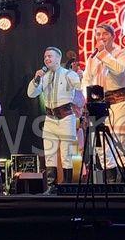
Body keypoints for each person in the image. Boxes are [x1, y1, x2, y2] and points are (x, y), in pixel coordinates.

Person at [82, 24, 125, 182]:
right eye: (98, 34)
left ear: (113, 36)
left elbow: (119, 70)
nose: (101, 37)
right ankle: (111, 182)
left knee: (122, 146)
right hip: (99, 107)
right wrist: (88, 98)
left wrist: (103, 53)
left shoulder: (122, 54)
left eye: (105, 34)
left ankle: (124, 184)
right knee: (102, 147)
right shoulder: (92, 59)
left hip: (120, 104)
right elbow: (86, 80)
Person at [27, 47, 83, 194]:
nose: (47, 59)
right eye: (45, 57)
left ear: (58, 58)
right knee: (49, 152)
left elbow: (80, 86)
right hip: (50, 118)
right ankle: (51, 186)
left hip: (66, 117)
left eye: (50, 56)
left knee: (66, 153)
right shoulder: (44, 77)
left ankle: (68, 186)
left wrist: (80, 76)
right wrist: (36, 79)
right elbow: (31, 93)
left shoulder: (68, 74)